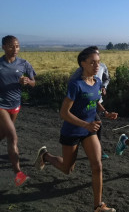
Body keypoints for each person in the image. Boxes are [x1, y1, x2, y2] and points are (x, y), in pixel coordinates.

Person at [34, 47, 118, 212]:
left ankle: (98, 206)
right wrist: (85, 124)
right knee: (67, 169)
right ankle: (46, 156)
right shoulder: (76, 84)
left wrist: (105, 112)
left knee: (97, 165)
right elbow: (63, 113)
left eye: (98, 62)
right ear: (83, 63)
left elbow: (94, 101)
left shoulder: (97, 82)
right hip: (72, 130)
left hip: (89, 130)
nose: (96, 65)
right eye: (92, 62)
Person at [0, 35, 36, 187]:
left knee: (4, 134)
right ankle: (18, 174)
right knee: (13, 137)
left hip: (15, 105)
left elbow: (34, 83)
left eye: (17, 46)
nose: (14, 49)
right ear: (3, 47)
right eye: (10, 46)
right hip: (1, 105)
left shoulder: (23, 64)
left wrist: (28, 81)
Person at [70, 46, 111, 159]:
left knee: (96, 124)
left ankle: (96, 150)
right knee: (67, 166)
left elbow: (106, 79)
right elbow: (72, 90)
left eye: (98, 59)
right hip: (83, 105)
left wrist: (103, 87)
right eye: (93, 61)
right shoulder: (78, 76)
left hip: (96, 101)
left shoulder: (102, 68)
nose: (97, 64)